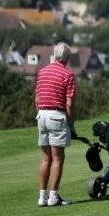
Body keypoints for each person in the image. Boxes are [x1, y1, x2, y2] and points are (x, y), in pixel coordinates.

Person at [35, 42, 77, 207]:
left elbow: (37, 99)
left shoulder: (42, 72)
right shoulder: (68, 74)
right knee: (58, 158)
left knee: (46, 159)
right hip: (56, 116)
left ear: (55, 55)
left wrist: (40, 114)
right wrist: (71, 125)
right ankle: (53, 197)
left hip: (41, 115)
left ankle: (42, 197)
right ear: (67, 58)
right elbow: (69, 104)